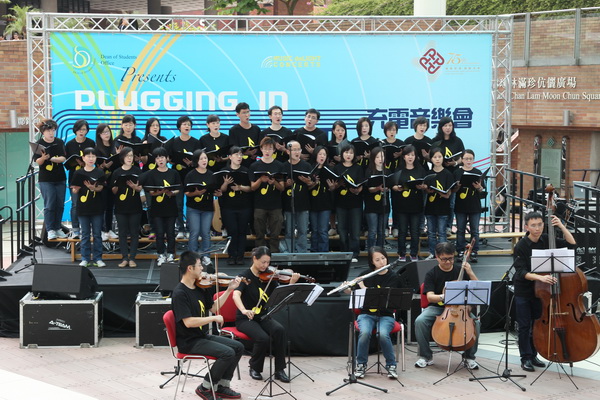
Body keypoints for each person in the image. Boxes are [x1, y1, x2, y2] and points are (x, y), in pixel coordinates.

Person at [172, 250, 244, 400]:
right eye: (199, 265)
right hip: (189, 341)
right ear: (190, 268)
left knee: (238, 347)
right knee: (227, 353)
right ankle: (205, 387)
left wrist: (229, 289)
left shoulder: (200, 287)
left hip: (201, 336)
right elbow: (188, 322)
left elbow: (214, 307)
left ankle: (222, 386)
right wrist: (212, 319)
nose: (202, 269)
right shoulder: (180, 293)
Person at [513, 211, 576, 372]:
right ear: (526, 227)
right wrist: (540, 277)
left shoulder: (547, 239)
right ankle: (525, 358)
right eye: (533, 225)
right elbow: (520, 272)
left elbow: (572, 244)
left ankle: (534, 355)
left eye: (540, 224)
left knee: (536, 325)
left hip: (542, 292)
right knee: (524, 326)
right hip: (525, 290)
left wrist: (561, 226)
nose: (537, 228)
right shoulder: (521, 246)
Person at [232, 246, 299, 382]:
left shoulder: (270, 277)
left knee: (279, 330)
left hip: (263, 317)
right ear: (254, 259)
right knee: (263, 338)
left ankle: (279, 370)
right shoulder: (244, 276)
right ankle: (255, 367)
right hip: (245, 319)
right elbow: (235, 295)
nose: (266, 265)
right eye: (263, 262)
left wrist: (291, 283)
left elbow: (280, 295)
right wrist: (244, 310)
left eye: (268, 262)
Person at [414, 242, 480, 369]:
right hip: (438, 308)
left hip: (460, 309)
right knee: (420, 321)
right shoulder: (431, 273)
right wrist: (445, 296)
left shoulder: (461, 270)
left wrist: (470, 272)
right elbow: (430, 297)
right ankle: (426, 356)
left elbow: (477, 289)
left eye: (451, 258)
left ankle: (469, 357)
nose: (448, 262)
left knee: (476, 323)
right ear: (437, 257)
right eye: (444, 259)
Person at [345, 246, 400, 379]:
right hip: (366, 314)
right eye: (377, 260)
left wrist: (364, 287)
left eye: (383, 258)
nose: (382, 262)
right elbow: (352, 292)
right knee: (365, 333)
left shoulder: (394, 277)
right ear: (372, 262)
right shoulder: (365, 275)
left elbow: (391, 298)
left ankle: (391, 365)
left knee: (383, 334)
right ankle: (361, 365)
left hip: (386, 315)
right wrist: (346, 288)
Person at [142, 147, 181, 266]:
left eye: (162, 157)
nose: (160, 160)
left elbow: (178, 189)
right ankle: (160, 254)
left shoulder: (173, 173)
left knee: (170, 232)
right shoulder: (151, 174)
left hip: (170, 207)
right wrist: (158, 192)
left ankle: (170, 254)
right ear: (155, 160)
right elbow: (150, 191)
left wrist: (171, 193)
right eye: (158, 158)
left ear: (167, 158)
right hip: (157, 208)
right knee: (159, 233)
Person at [248, 137, 285, 253]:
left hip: (276, 205)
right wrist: (260, 180)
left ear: (274, 150)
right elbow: (252, 187)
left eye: (270, 148)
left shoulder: (279, 165)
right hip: (259, 204)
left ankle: (274, 256)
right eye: (265, 148)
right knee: (259, 234)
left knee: (275, 234)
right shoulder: (254, 166)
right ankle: (260, 256)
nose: (267, 151)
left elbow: (282, 188)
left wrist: (274, 182)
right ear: (261, 149)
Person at [328, 143, 364, 262]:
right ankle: (344, 253)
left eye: (351, 153)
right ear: (342, 154)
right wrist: (337, 185)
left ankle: (354, 253)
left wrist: (358, 190)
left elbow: (361, 184)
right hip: (340, 203)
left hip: (355, 203)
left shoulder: (358, 168)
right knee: (342, 230)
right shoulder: (337, 168)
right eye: (346, 152)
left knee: (355, 230)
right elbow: (333, 185)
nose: (348, 155)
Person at [392, 145, 428, 262]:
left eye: (412, 155)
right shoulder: (398, 170)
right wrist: (396, 187)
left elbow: (425, 185)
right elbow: (393, 185)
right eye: (408, 155)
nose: (410, 157)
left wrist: (423, 187)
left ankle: (414, 253)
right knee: (402, 231)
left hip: (416, 205)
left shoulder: (420, 170)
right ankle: (401, 253)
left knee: (415, 231)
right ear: (403, 157)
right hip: (402, 205)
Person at [184, 149, 220, 267]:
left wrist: (218, 193)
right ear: (196, 161)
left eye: (205, 158)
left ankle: (206, 256)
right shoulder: (190, 174)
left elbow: (215, 190)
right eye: (201, 159)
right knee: (194, 232)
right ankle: (193, 257)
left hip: (207, 208)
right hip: (193, 208)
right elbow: (186, 192)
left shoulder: (212, 175)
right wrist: (196, 193)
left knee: (206, 233)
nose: (204, 160)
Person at [71, 148, 106, 267]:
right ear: (83, 158)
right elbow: (74, 190)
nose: (91, 159)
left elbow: (101, 187)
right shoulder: (78, 173)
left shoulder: (99, 172)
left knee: (97, 234)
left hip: (97, 206)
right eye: (88, 156)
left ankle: (98, 258)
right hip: (83, 207)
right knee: (85, 234)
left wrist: (93, 188)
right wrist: (76, 189)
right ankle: (85, 258)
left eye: (93, 156)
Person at [166, 115, 200, 239]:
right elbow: (169, 158)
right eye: (184, 124)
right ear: (179, 127)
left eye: (189, 124)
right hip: (177, 177)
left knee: (192, 204)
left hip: (191, 177)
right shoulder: (173, 142)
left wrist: (192, 162)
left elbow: (199, 159)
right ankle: (180, 228)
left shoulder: (196, 142)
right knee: (178, 204)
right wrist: (171, 160)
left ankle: (191, 228)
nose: (187, 126)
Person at [219, 146, 253, 265]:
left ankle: (240, 256)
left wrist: (240, 187)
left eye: (241, 155)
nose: (239, 157)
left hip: (244, 205)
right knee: (232, 231)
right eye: (236, 154)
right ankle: (231, 255)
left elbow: (251, 188)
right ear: (230, 157)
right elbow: (221, 190)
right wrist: (225, 183)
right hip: (228, 206)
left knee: (242, 231)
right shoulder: (224, 171)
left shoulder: (246, 170)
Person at [34, 119, 67, 240]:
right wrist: (43, 158)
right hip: (46, 179)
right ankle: (50, 230)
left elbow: (63, 158)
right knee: (50, 204)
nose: (51, 133)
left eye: (53, 130)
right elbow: (37, 161)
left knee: (60, 204)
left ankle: (58, 228)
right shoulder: (39, 144)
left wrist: (52, 159)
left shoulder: (59, 142)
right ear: (43, 132)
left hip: (60, 177)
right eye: (48, 130)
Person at [111, 147, 143, 267]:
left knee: (134, 232)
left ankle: (132, 258)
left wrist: (135, 187)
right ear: (122, 157)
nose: (129, 158)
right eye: (127, 156)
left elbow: (140, 188)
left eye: (131, 155)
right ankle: (124, 257)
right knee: (122, 233)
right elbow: (113, 191)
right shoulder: (117, 172)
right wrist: (117, 185)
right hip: (121, 207)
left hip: (135, 205)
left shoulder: (137, 171)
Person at [432, 116, 465, 233]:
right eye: (445, 125)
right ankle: (436, 227)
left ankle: (448, 226)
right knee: (437, 200)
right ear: (441, 127)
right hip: (438, 174)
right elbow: (431, 157)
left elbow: (462, 157)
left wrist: (455, 162)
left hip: (453, 174)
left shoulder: (457, 140)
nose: (448, 128)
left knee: (451, 202)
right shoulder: (435, 141)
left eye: (450, 125)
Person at [453, 149, 485, 263]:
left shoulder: (477, 172)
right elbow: (453, 190)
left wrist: (478, 187)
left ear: (473, 160)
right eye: (466, 158)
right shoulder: (457, 172)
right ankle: (460, 251)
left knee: (475, 230)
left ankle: (474, 251)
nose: (468, 161)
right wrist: (457, 186)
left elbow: (482, 190)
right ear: (462, 159)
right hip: (461, 204)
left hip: (474, 204)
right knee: (460, 229)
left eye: (471, 159)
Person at [65, 119, 95, 239]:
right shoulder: (69, 144)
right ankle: (76, 230)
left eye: (84, 129)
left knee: (89, 203)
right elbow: (67, 164)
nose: (82, 132)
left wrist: (85, 162)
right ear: (75, 130)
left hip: (88, 177)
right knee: (75, 204)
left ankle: (88, 229)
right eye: (79, 129)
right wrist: (75, 162)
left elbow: (94, 160)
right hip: (74, 177)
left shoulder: (91, 143)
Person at [423, 147, 455, 259]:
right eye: (435, 157)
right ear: (431, 159)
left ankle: (443, 254)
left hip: (443, 208)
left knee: (442, 233)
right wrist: (426, 189)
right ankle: (432, 253)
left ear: (443, 158)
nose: (437, 159)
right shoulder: (428, 174)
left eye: (439, 157)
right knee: (431, 233)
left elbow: (449, 193)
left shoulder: (447, 174)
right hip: (430, 207)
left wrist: (443, 193)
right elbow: (426, 191)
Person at [282, 140, 313, 253]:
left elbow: (311, 184)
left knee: (303, 230)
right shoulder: (284, 166)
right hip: (288, 203)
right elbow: (280, 185)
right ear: (288, 151)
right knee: (289, 231)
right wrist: (286, 184)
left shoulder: (306, 165)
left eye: (298, 149)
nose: (296, 152)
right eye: (294, 150)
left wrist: (308, 182)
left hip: (303, 203)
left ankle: (302, 253)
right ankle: (290, 252)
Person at [364, 147, 390, 250]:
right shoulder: (369, 171)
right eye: (377, 157)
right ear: (373, 158)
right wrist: (377, 188)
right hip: (372, 205)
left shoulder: (387, 171)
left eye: (382, 157)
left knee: (381, 231)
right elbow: (368, 188)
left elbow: (391, 184)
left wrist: (387, 188)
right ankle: (371, 252)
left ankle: (381, 251)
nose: (380, 159)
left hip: (384, 204)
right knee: (372, 231)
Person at [95, 123, 118, 241]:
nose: (106, 134)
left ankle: (109, 229)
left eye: (108, 131)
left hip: (113, 179)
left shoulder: (114, 146)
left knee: (110, 206)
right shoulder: (97, 148)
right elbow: (95, 166)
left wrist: (118, 155)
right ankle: (102, 230)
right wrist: (103, 166)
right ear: (99, 134)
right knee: (102, 206)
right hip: (102, 180)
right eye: (104, 132)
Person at [308, 145, 333, 252]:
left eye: (324, 154)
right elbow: (307, 188)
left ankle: (324, 252)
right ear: (315, 155)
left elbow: (332, 187)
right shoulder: (310, 168)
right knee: (314, 230)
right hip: (312, 203)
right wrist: (314, 183)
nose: (322, 156)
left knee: (323, 230)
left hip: (325, 203)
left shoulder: (329, 169)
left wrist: (332, 187)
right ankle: (314, 251)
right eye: (320, 154)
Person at [229, 102, 261, 167]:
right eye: (244, 113)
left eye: (248, 112)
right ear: (237, 114)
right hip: (239, 165)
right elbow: (233, 149)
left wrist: (255, 153)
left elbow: (260, 146)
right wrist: (245, 153)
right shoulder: (234, 130)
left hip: (254, 164)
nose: (247, 115)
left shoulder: (256, 129)